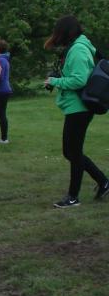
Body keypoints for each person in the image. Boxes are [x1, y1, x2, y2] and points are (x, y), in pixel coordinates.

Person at [44, 16, 109, 208]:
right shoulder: (79, 46)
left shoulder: (78, 49)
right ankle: (103, 182)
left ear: (64, 32)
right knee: (72, 152)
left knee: (72, 152)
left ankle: (73, 197)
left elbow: (79, 80)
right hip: (76, 106)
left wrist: (55, 81)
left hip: (79, 107)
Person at [0, 39, 12, 144]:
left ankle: (4, 139)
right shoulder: (4, 59)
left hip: (1, 90)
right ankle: (4, 138)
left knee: (1, 114)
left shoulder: (1, 61)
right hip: (3, 89)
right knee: (1, 114)